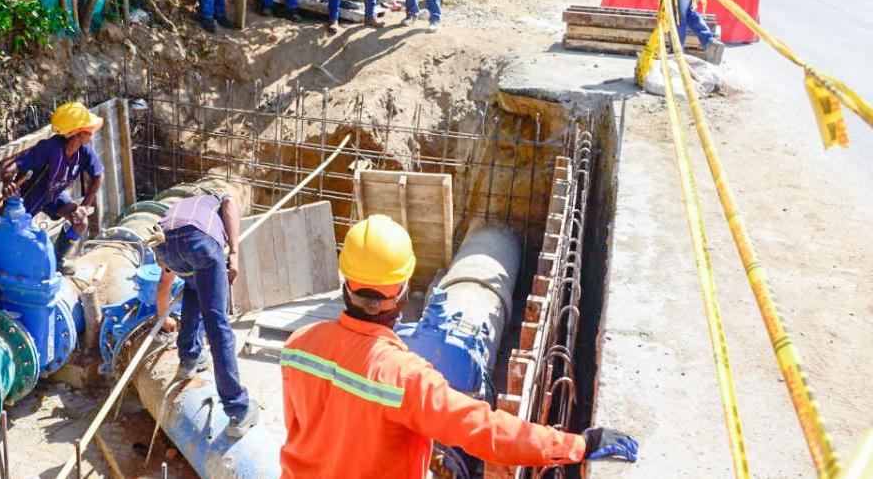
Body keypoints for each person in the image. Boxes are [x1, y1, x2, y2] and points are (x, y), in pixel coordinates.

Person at [280, 215, 640, 477]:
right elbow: (483, 430)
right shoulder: (405, 378)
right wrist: (577, 445)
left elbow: (307, 430)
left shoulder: (298, 346)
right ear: (403, 292)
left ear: (347, 283)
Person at [153, 192, 258, 438]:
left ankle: (189, 359)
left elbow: (164, 285)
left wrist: (163, 318)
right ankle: (238, 410)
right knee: (217, 324)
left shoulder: (178, 211)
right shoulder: (217, 199)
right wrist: (233, 253)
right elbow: (230, 203)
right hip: (198, 241)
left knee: (193, 285)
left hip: (164, 244)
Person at [0, 101, 105, 244]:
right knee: (16, 241)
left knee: (81, 222)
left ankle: (58, 258)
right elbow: (9, 168)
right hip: (28, 200)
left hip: (53, 197)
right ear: (78, 133)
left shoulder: (83, 151)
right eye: (89, 130)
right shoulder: (48, 149)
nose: (92, 134)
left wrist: (84, 206)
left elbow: (98, 175)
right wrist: (7, 183)